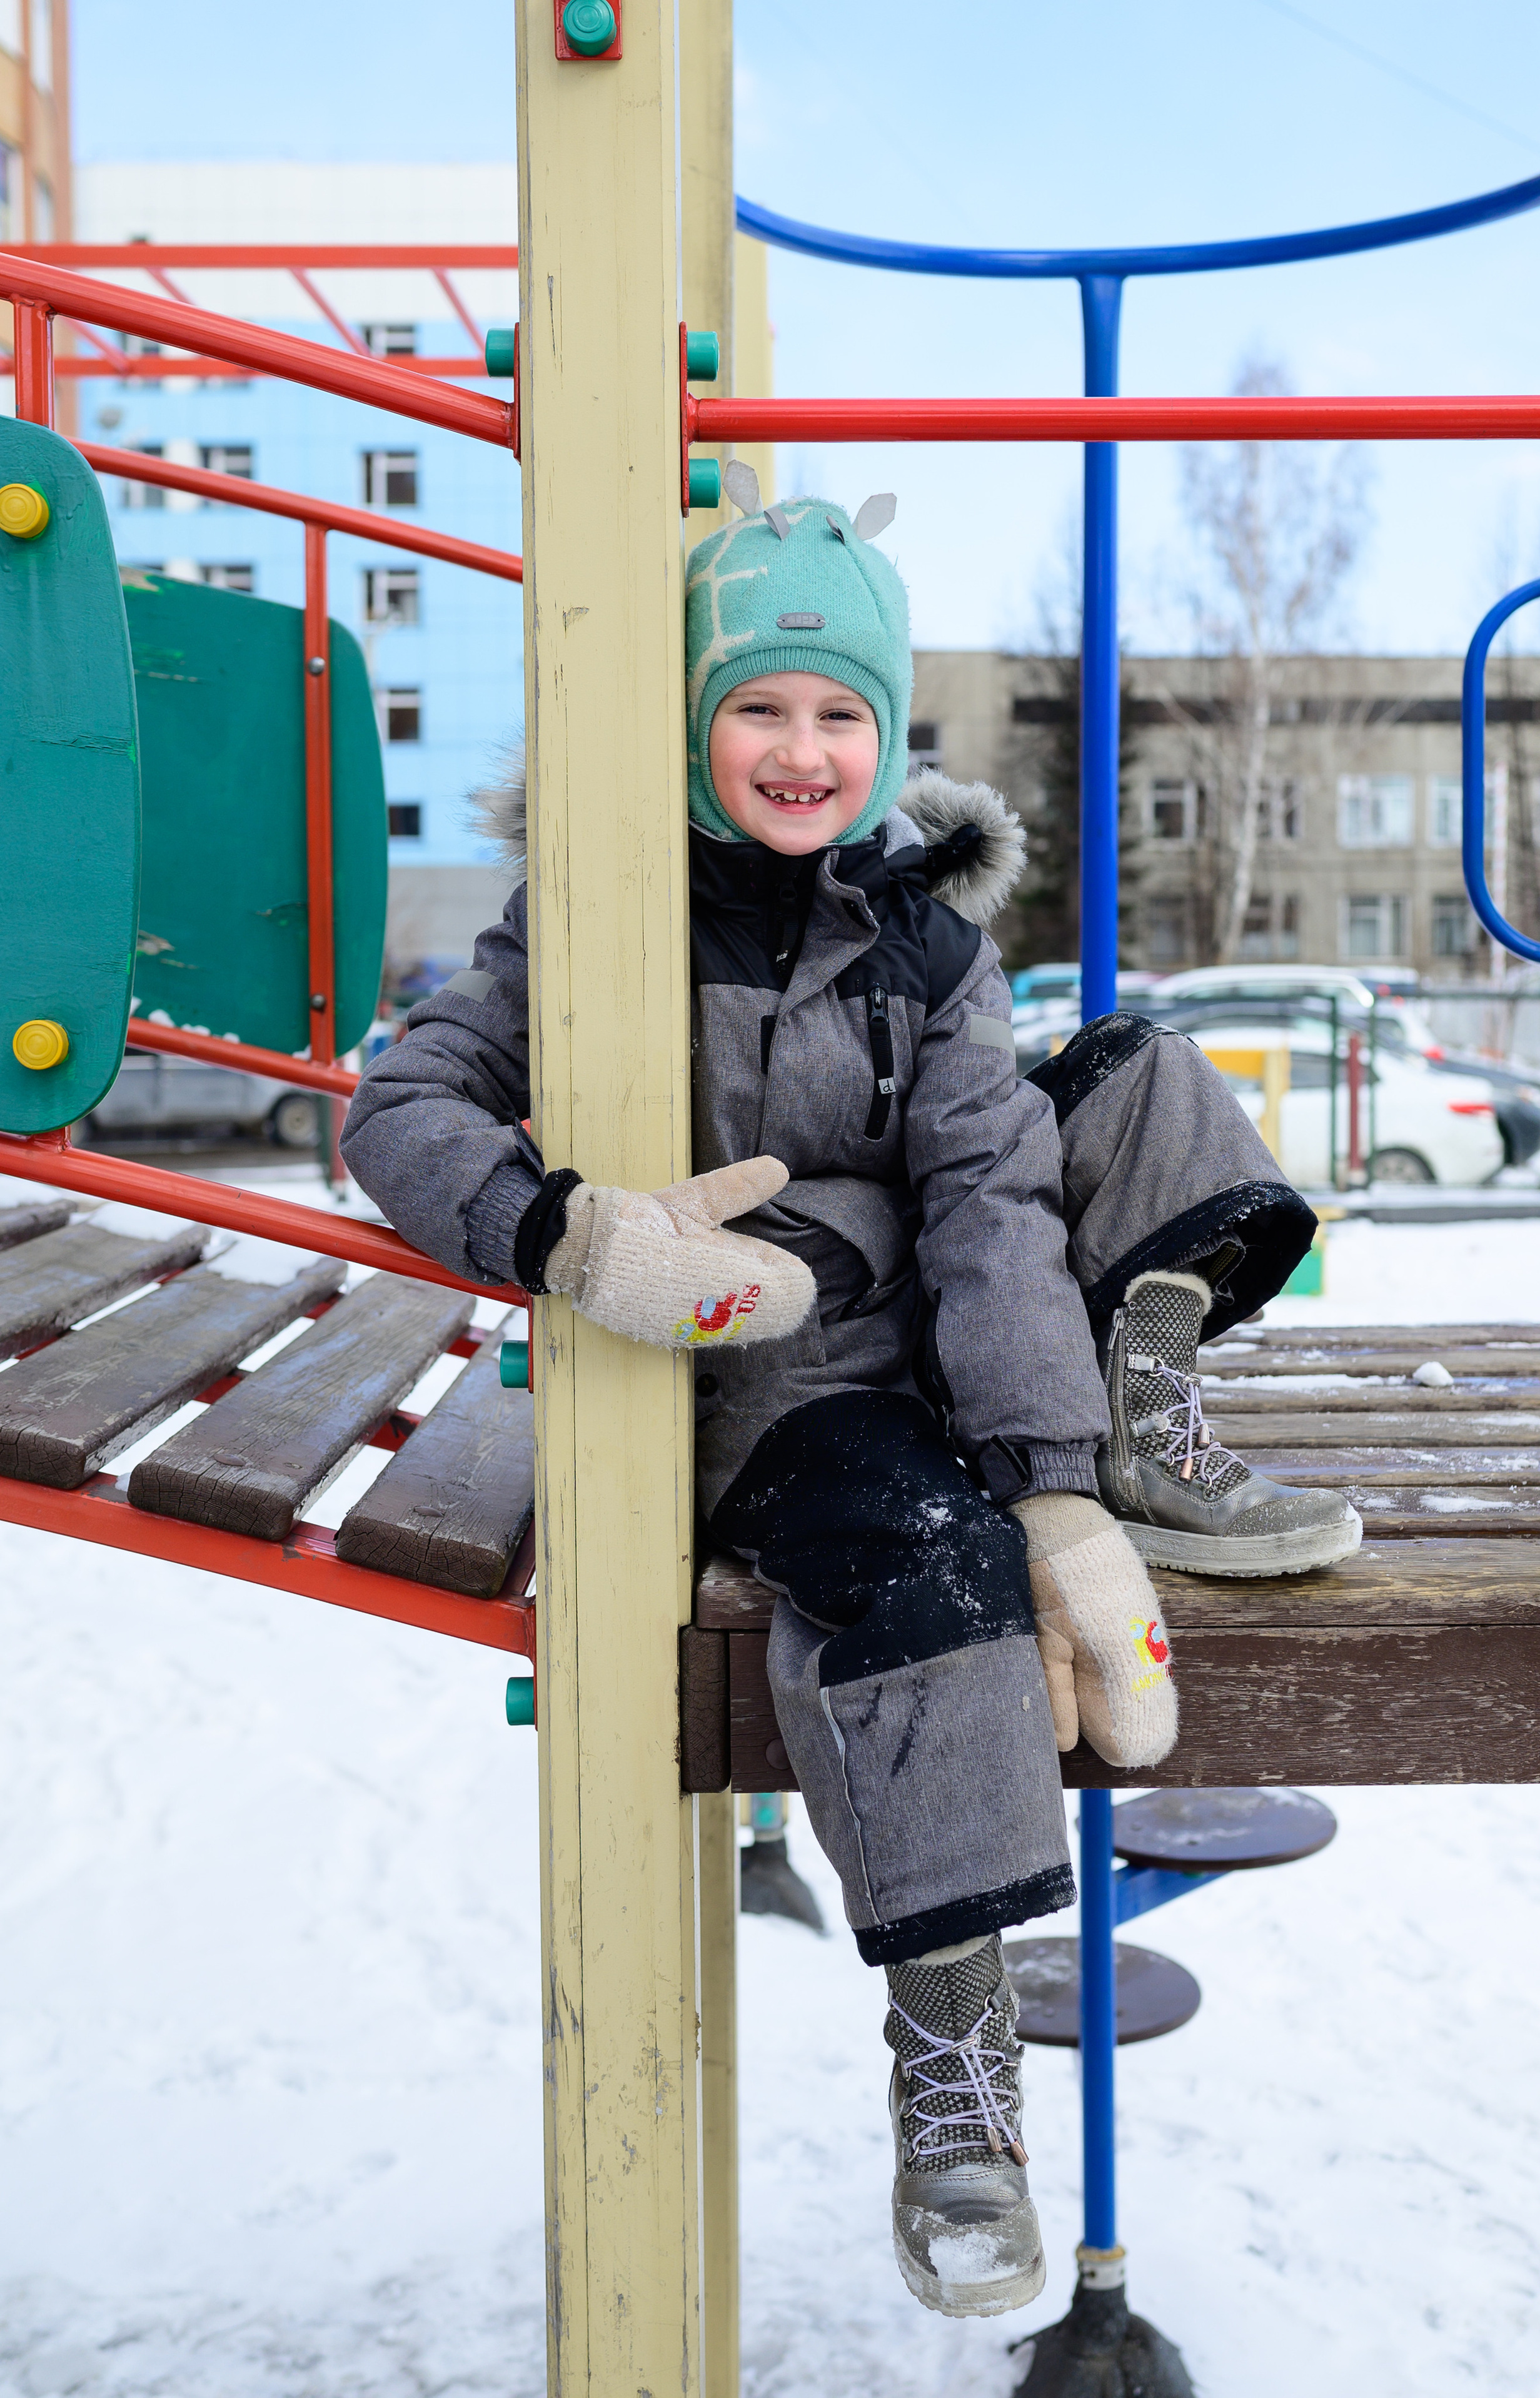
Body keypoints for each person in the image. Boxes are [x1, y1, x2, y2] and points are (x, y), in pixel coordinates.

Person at [342, 483, 1359, 2322]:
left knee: (1140, 1076)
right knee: (927, 1560)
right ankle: (956, 2063)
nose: (803, 749)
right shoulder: (593, 918)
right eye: (761, 704)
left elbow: (988, 1193)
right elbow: (400, 1106)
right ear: (690, 719)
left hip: (962, 1347)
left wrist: (1057, 1481)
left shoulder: (927, 945)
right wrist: (566, 1231)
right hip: (785, 1380)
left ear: (887, 737)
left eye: (843, 713)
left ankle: (1131, 1423)